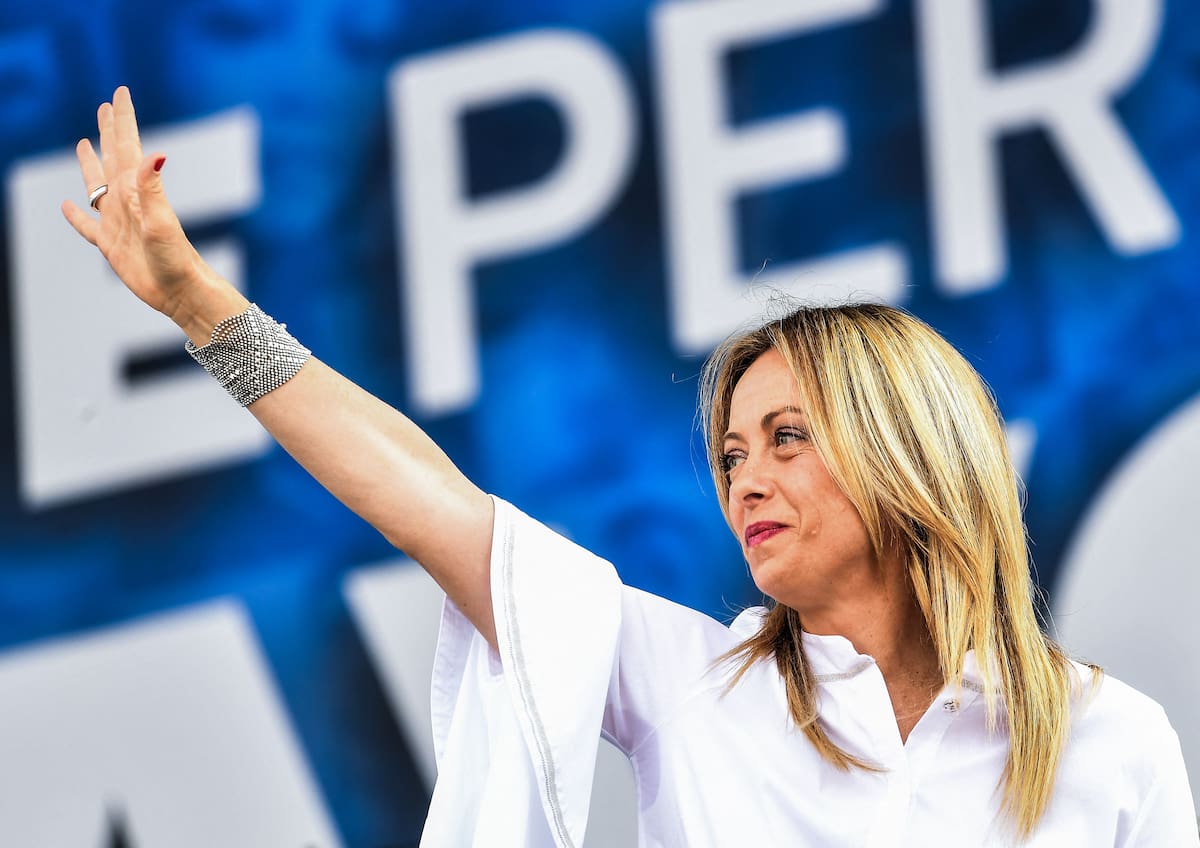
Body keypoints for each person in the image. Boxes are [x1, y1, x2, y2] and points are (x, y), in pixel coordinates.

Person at [63, 87, 1197, 847]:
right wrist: (200, 307)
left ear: (911, 447)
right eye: (730, 451)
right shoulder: (687, 680)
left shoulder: (1115, 738)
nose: (744, 477)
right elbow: (428, 503)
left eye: (788, 437)